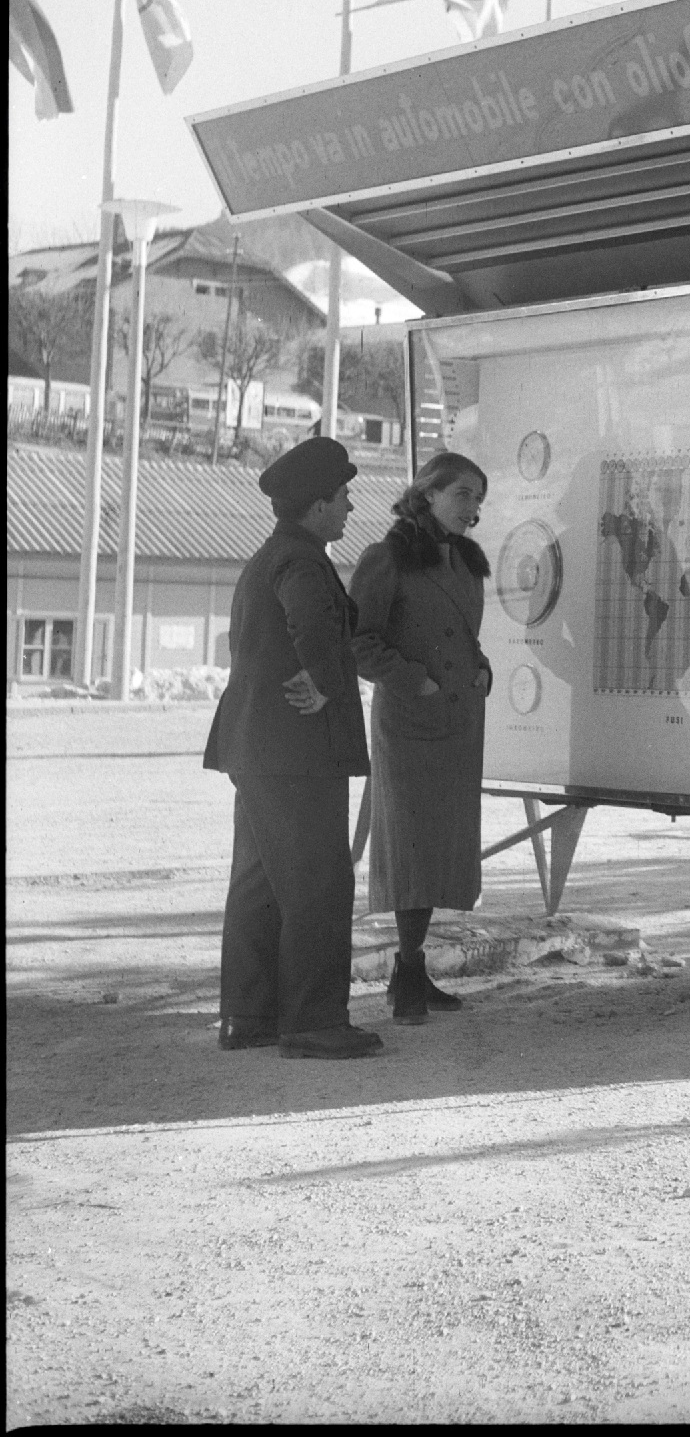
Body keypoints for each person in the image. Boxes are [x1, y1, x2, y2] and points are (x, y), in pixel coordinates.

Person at [204, 436, 382, 1059]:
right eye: (343, 497)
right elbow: (311, 623)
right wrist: (326, 682)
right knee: (317, 882)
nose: (351, 507)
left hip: (254, 746)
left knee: (258, 883)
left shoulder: (270, 554)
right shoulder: (303, 561)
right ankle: (312, 1023)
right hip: (297, 753)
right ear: (315, 507)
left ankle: (248, 1016)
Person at [350, 452, 493, 1025]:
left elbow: (462, 635)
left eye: (479, 499)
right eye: (463, 495)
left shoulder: (462, 560)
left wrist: (482, 666)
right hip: (410, 724)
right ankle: (407, 972)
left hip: (458, 723)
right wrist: (418, 682)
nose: (473, 510)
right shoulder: (385, 559)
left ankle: (412, 971)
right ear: (428, 493)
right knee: (409, 849)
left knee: (438, 849)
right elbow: (358, 641)